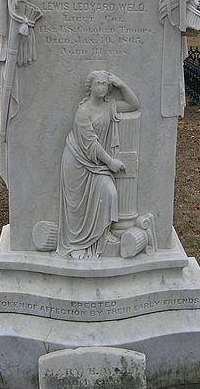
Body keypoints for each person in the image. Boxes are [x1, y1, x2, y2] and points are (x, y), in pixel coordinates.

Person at [57, 70, 139, 259]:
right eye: (98, 84)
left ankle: (102, 233)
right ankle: (76, 243)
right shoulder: (83, 111)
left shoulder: (110, 105)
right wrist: (110, 162)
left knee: (109, 193)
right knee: (77, 206)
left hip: (97, 163)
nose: (102, 87)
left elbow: (134, 104)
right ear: (90, 87)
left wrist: (121, 84)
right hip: (77, 161)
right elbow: (90, 144)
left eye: (105, 84)